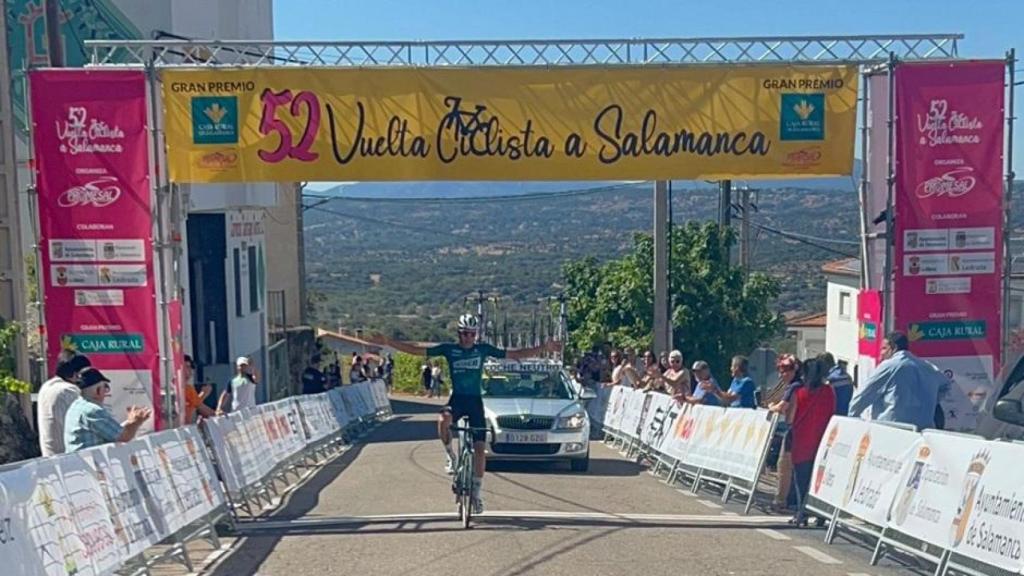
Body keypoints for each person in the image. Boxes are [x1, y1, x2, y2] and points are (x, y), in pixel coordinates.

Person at [385, 313, 557, 514]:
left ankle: (476, 493)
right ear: (459, 333)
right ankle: (450, 455)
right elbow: (415, 350)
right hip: (457, 399)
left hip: (475, 402)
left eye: (472, 334)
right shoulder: (450, 350)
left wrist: (544, 348)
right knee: (443, 418)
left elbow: (515, 354)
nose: (468, 338)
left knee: (479, 449)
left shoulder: (482, 350)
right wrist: (389, 342)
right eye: (465, 334)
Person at [848, 332, 944, 430]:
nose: (881, 353)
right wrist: (930, 402)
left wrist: (851, 420)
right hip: (922, 430)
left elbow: (864, 394)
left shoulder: (889, 366)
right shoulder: (928, 367)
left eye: (884, 348)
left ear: (893, 348)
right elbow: (946, 385)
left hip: (893, 428)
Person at [787, 358, 836, 526]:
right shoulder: (829, 391)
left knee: (801, 480)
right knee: (819, 482)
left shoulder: (799, 393)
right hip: (823, 442)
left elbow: (790, 418)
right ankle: (821, 515)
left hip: (802, 441)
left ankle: (802, 513)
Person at [64, 367, 151, 452]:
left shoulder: (76, 406)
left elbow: (113, 432)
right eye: (105, 387)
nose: (106, 392)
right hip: (91, 463)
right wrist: (137, 421)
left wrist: (130, 422)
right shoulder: (93, 411)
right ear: (98, 390)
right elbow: (124, 436)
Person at [766, 354, 803, 512]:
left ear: (795, 369)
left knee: (784, 465)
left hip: (793, 428)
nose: (782, 374)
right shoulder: (799, 384)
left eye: (786, 370)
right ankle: (791, 500)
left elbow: (782, 407)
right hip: (798, 428)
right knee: (792, 466)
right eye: (780, 370)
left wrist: (770, 407)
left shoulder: (793, 386)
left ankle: (781, 501)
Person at [38, 350, 91, 457]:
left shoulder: (47, 386)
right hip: (69, 458)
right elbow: (85, 424)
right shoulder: (69, 391)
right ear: (76, 374)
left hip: (50, 455)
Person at [182, 355, 215, 424]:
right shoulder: (185, 389)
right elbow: (199, 406)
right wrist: (204, 394)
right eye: (187, 367)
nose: (190, 370)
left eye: (191, 367)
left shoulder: (188, 389)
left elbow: (197, 404)